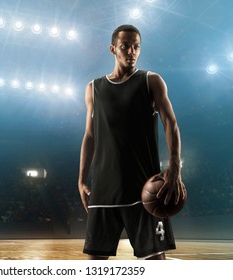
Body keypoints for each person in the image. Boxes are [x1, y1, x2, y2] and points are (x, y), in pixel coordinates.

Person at [78, 24, 186, 260]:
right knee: (94, 263)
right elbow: (89, 136)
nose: (131, 52)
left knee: (154, 261)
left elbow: (171, 124)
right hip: (104, 191)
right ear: (113, 49)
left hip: (144, 189)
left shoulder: (151, 81)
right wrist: (81, 180)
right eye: (125, 46)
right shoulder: (93, 88)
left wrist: (175, 168)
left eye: (136, 47)